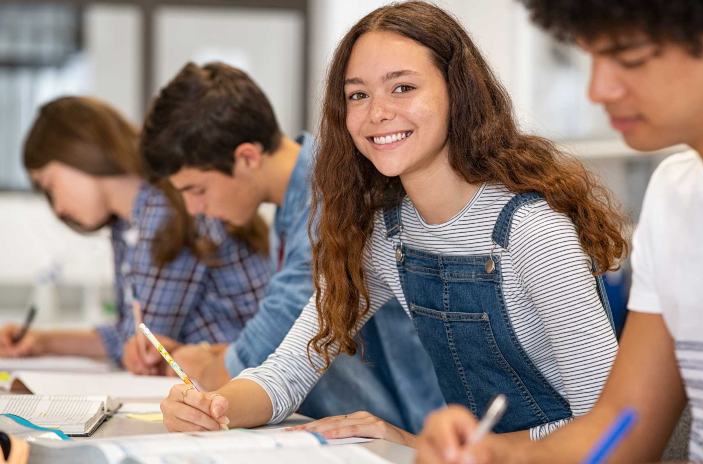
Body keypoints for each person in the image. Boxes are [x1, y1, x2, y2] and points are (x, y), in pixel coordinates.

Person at [159, 1, 627, 446]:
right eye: (358, 95)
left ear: (457, 92)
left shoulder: (531, 231)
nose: (377, 112)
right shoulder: (385, 234)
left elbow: (610, 424)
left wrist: (423, 443)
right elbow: (288, 370)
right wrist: (213, 406)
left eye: (403, 87)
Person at [416, 0, 703, 462]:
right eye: (592, 57)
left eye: (629, 58)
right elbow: (621, 428)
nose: (598, 89)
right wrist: (496, 456)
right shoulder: (675, 194)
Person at [138, 61, 444, 436]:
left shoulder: (330, 200)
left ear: (247, 157)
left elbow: (259, 352)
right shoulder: (292, 204)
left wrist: (203, 364)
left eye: (196, 190)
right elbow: (289, 354)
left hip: (403, 429)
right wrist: (208, 362)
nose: (194, 210)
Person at [0, 96, 271, 371]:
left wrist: (50, 342)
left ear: (79, 151)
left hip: (254, 380)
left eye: (50, 184)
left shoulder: (166, 212)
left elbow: (143, 348)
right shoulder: (129, 223)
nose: (57, 209)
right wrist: (40, 342)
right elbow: (131, 334)